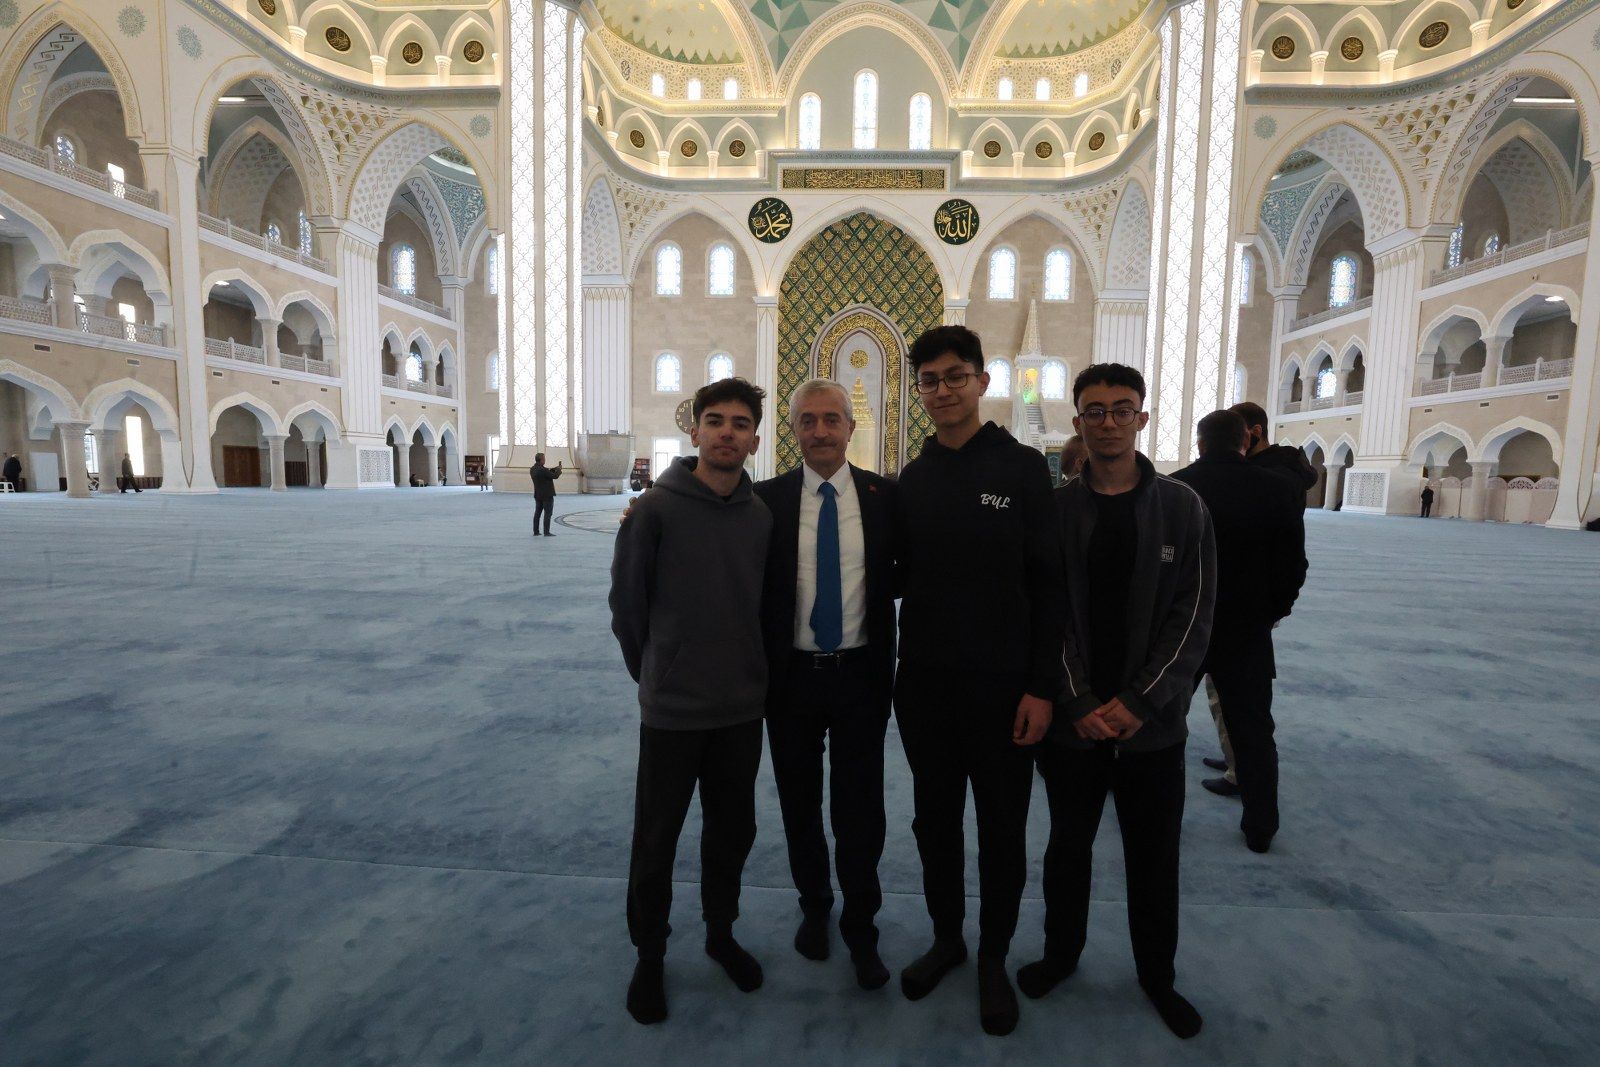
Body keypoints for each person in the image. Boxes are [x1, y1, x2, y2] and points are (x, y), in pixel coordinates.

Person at [1021, 362, 1215, 1041]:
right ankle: (1060, 954)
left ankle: (1157, 976)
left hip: (1150, 727)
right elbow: (1045, 614)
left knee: (1153, 857)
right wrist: (1078, 701)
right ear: (1078, 421)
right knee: (1067, 847)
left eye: (1122, 409)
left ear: (1142, 417)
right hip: (1074, 725)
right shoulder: (1055, 512)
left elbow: (1194, 614)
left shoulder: (1183, 509)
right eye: (1096, 411)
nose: (1109, 422)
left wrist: (1140, 701)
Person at [893, 325, 1063, 1036]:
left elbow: (1049, 586)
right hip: (926, 688)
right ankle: (947, 938)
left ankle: (993, 955)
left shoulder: (1022, 469)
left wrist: (1041, 686)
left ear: (983, 381)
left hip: (1004, 690)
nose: (943, 390)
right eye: (930, 380)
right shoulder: (915, 476)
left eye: (955, 376)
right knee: (933, 821)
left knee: (1000, 827)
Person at [609, 377, 772, 1026]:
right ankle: (650, 954)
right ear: (695, 430)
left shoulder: (761, 517)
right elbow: (628, 607)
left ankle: (720, 932)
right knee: (657, 838)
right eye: (716, 420)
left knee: (732, 832)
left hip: (740, 710)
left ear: (754, 439)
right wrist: (656, 673)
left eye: (740, 423)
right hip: (673, 711)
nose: (727, 432)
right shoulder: (655, 511)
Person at [754, 379, 897, 992]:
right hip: (791, 681)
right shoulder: (765, 502)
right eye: (807, 420)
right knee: (800, 802)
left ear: (850, 427)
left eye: (831, 419)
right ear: (793, 430)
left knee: (860, 808)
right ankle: (815, 905)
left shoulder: (885, 498)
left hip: (861, 677)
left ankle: (862, 922)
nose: (820, 431)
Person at [1173, 410, 1306, 853]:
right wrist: (1273, 611)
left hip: (1184, 628)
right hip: (1247, 629)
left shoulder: (1177, 488)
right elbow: (1293, 564)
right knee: (1252, 730)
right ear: (1245, 442)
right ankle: (1260, 826)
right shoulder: (1277, 489)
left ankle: (1152, 812)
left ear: (1200, 444)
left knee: (1163, 722)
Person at [530, 453, 563, 536]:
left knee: (537, 513)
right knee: (548, 513)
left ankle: (536, 531)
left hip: (538, 494)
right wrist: (559, 470)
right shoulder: (543, 470)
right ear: (541, 460)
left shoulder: (533, 469)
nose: (545, 460)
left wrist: (554, 468)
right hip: (547, 495)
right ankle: (546, 532)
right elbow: (554, 476)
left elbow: (547, 473)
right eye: (544, 459)